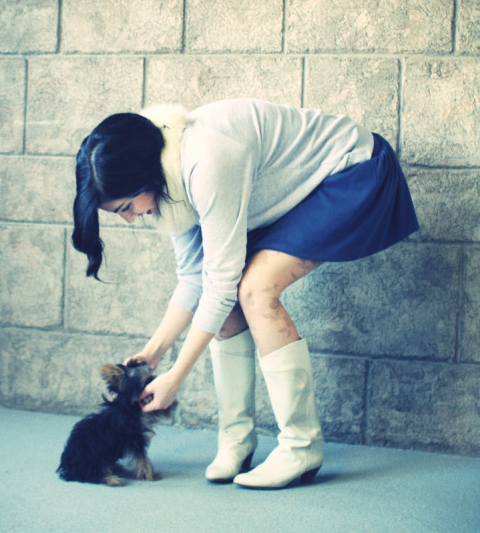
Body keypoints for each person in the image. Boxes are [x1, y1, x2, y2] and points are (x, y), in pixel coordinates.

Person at [72, 99, 419, 489]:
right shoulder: (165, 177)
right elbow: (194, 278)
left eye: (125, 207)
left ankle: (301, 445)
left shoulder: (207, 159)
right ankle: (235, 438)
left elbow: (219, 286)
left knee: (253, 289)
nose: (131, 218)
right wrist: (151, 354)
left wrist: (176, 377)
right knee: (229, 294)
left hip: (353, 172)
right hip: (298, 194)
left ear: (143, 178)